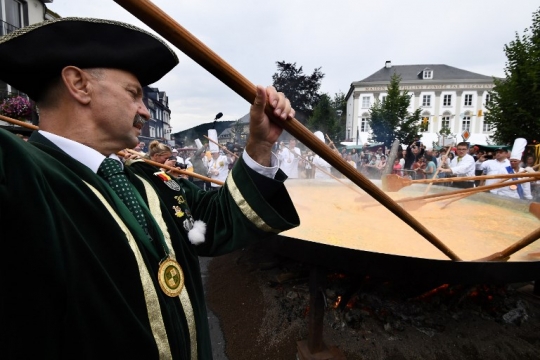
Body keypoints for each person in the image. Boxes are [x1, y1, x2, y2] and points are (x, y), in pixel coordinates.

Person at [0, 18, 299, 359]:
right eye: (134, 93)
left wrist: (259, 145)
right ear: (79, 84)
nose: (144, 110)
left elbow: (212, 226)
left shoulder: (149, 181)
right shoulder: (22, 173)